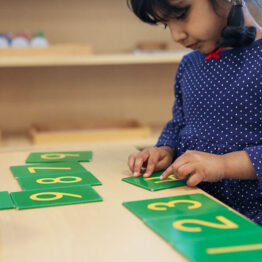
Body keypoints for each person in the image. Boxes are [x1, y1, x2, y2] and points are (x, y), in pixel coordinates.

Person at [127, 0, 262, 225]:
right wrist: (165, 150)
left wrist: (224, 165)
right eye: (165, 24)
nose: (176, 36)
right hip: (195, 210)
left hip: (252, 220)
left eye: (181, 15)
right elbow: (179, 123)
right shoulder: (189, 65)